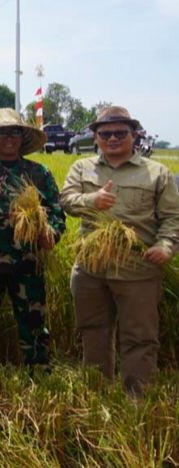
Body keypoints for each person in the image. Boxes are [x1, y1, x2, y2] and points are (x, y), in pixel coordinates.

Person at [60, 106, 179, 394]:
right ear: (96, 137)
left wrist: (165, 246)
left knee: (139, 337)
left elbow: (173, 218)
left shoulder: (157, 173)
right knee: (93, 332)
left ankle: (136, 399)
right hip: (91, 270)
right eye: (105, 133)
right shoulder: (82, 167)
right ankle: (97, 393)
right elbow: (66, 200)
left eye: (120, 132)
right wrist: (92, 200)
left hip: (137, 270)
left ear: (134, 134)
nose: (113, 138)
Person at [0, 108, 65, 368]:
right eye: (2, 133)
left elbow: (56, 211)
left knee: (33, 318)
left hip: (28, 260)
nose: (8, 138)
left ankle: (38, 369)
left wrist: (51, 234)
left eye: (14, 133)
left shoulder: (39, 173)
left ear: (22, 138)